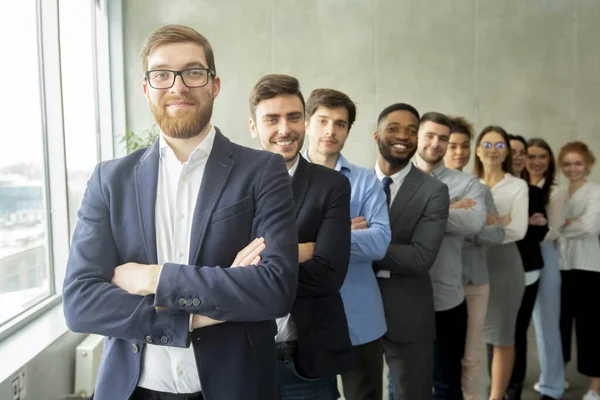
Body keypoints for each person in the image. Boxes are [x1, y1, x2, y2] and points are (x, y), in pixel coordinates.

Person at [62, 25, 299, 400]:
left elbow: (274, 291)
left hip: (233, 387)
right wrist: (202, 311)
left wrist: (153, 278)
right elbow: (80, 303)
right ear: (146, 89)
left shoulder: (262, 171)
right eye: (161, 74)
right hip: (131, 389)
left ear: (214, 85)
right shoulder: (110, 179)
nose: (177, 86)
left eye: (192, 72)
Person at [248, 74, 354, 400]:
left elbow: (329, 275)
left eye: (293, 117)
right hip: (244, 359)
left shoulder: (331, 186)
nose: (284, 129)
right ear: (254, 126)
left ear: (305, 122)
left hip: (305, 360)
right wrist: (299, 252)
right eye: (271, 119)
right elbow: (213, 269)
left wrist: (254, 267)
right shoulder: (231, 185)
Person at [304, 88, 391, 400]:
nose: (331, 130)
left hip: (360, 316)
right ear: (306, 123)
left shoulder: (367, 181)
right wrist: (341, 229)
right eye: (323, 120)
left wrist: (313, 240)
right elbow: (274, 244)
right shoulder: (280, 176)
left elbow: (380, 242)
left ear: (348, 131)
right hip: (304, 320)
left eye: (340, 123)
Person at [374, 103, 449, 400]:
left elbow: (420, 258)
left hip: (408, 312)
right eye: (393, 128)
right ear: (376, 134)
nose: (403, 136)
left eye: (412, 130)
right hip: (356, 309)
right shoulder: (351, 183)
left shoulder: (433, 190)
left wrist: (357, 244)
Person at [414, 112, 487, 400]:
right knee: (405, 381)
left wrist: (416, 215)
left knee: (447, 383)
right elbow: (389, 223)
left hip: (448, 298)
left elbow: (475, 222)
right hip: (402, 297)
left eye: (442, 138)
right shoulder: (396, 178)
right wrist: (449, 209)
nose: (436, 143)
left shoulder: (468, 184)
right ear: (417, 137)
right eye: (429, 136)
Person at [444, 116, 505, 400]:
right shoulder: (425, 186)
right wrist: (467, 220)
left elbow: (497, 234)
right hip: (438, 283)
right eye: (452, 145)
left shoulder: (479, 188)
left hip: (474, 282)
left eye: (464, 146)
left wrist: (459, 227)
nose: (459, 152)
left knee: (471, 356)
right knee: (438, 359)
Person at [473, 126, 528, 400]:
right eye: (487, 144)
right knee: (469, 335)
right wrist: (496, 222)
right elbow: (458, 226)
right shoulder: (467, 182)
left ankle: (496, 396)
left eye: (499, 145)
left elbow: (518, 230)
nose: (492, 150)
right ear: (477, 149)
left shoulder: (518, 186)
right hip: (470, 265)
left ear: (506, 151)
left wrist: (478, 228)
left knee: (503, 336)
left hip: (506, 266)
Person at [555, 142, 600, 400]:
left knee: (591, 328)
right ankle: (558, 377)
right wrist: (568, 223)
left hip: (589, 267)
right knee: (559, 325)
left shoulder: (595, 191)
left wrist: (562, 225)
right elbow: (553, 224)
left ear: (588, 164)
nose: (573, 168)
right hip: (561, 266)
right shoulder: (559, 192)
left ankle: (595, 386)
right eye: (568, 164)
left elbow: (591, 227)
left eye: (578, 163)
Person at [506, 135, 549, 400]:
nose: (520, 157)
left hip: (528, 270)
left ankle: (514, 390)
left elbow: (540, 232)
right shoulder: (489, 187)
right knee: (497, 333)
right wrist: (522, 223)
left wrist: (513, 224)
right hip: (497, 270)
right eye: (514, 152)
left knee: (517, 332)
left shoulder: (533, 191)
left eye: (523, 152)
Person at [525, 138, 565, 400]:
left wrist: (526, 225)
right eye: (532, 156)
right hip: (518, 255)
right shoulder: (518, 185)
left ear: (549, 161)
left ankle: (552, 385)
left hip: (546, 255)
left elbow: (553, 230)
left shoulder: (556, 190)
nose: (537, 161)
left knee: (546, 321)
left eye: (543, 157)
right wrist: (529, 222)